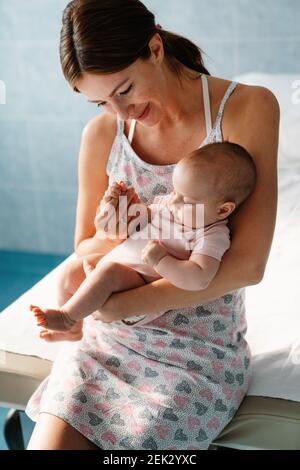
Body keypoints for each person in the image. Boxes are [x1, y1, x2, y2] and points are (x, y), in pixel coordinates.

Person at [26, 0, 279, 450]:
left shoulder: (246, 109)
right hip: (105, 344)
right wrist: (111, 236)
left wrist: (115, 307)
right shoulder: (103, 134)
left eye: (124, 90)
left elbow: (246, 267)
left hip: (197, 352)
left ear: (155, 47)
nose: (119, 112)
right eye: (101, 101)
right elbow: (84, 249)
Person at [30, 142, 256, 332]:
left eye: (186, 201)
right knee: (70, 272)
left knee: (108, 273)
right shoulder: (171, 205)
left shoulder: (211, 235)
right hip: (114, 267)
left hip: (138, 286)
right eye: (175, 191)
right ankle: (73, 330)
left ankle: (67, 317)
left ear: (222, 210)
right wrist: (119, 210)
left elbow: (199, 278)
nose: (173, 201)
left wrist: (162, 261)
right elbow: (141, 220)